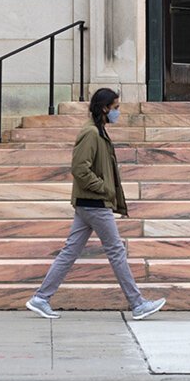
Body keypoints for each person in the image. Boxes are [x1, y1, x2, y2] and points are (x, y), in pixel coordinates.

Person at [26, 88, 166, 320]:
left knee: (70, 251)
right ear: (104, 108)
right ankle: (137, 303)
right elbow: (80, 168)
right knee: (116, 251)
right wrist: (104, 189)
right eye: (116, 108)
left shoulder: (98, 131)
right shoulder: (91, 133)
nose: (118, 112)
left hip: (88, 203)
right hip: (94, 203)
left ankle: (41, 298)